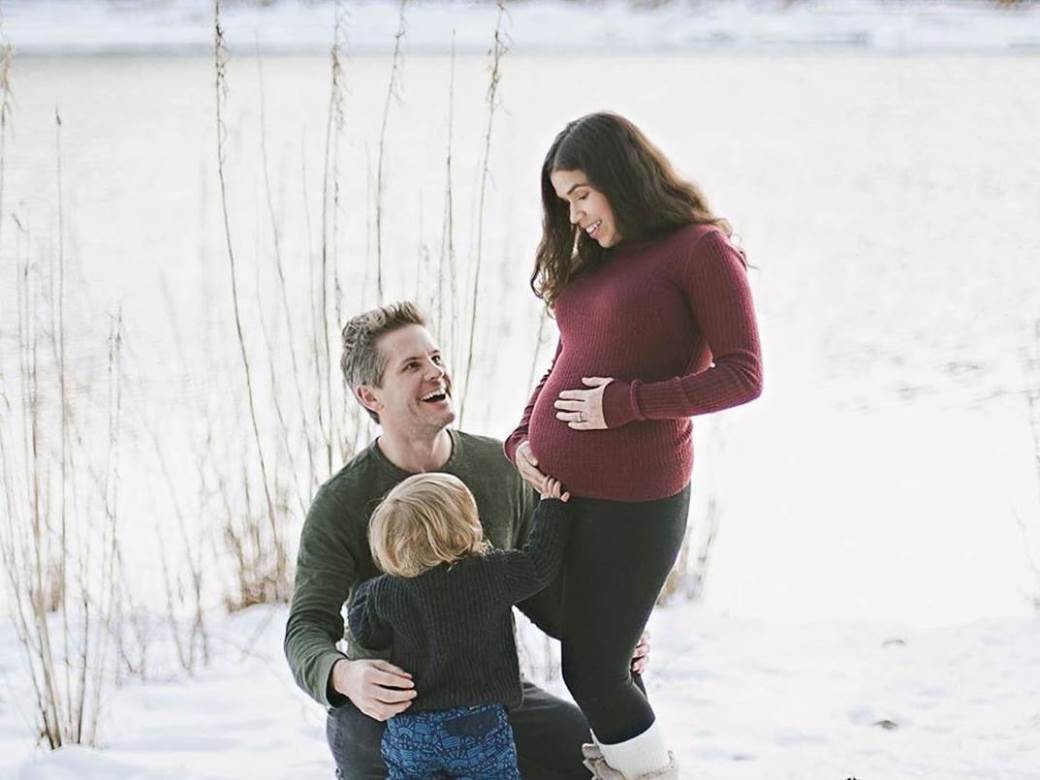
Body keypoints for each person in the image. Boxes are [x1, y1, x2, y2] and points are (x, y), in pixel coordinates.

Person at [284, 301, 650, 779]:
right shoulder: (341, 501)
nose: (436, 372)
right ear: (370, 396)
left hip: (488, 698)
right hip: (386, 709)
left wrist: (610, 636)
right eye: (411, 366)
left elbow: (539, 588)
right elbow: (307, 626)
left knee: (595, 756)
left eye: (436, 358)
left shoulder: (499, 470)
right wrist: (345, 675)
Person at [505, 112, 764, 779]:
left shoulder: (699, 250)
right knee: (598, 655)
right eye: (564, 202)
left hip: (636, 497)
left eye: (582, 195)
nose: (575, 215)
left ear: (621, 177)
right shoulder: (596, 259)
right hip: (563, 492)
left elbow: (743, 374)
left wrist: (624, 403)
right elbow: (568, 357)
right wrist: (523, 435)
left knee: (592, 670)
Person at [348, 472, 569, 778]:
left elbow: (367, 635)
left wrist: (367, 593)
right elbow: (539, 564)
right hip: (476, 724)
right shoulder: (490, 572)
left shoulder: (384, 592)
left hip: (411, 729)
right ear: (465, 523)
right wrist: (551, 507)